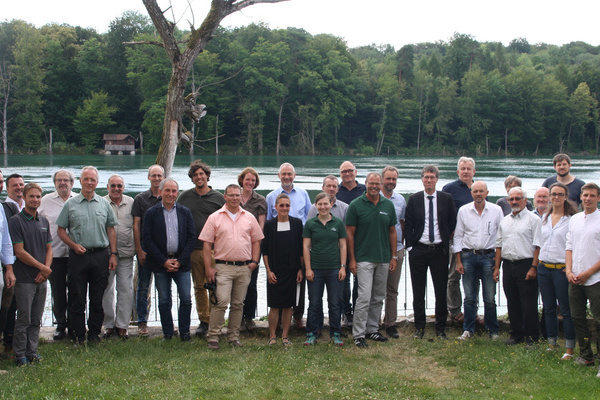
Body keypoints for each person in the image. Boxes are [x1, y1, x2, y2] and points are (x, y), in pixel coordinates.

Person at [56, 166, 118, 344]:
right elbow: (61, 230)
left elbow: (111, 229)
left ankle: (94, 334)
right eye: (86, 179)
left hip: (100, 255)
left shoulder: (104, 204)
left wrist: (113, 254)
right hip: (78, 257)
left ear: (97, 182)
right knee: (77, 298)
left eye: (93, 179)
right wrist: (73, 245)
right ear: (80, 181)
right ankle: (77, 335)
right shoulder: (71, 204)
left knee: (97, 298)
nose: (89, 182)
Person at [200, 184, 264, 350]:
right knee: (220, 302)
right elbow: (207, 245)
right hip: (224, 267)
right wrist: (209, 268)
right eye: (232, 195)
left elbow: (257, 240)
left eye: (238, 195)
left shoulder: (249, 217)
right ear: (225, 196)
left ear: (241, 197)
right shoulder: (215, 217)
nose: (235, 198)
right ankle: (213, 336)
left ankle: (233, 336)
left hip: (244, 267)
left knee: (238, 304)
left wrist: (255, 261)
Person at [346, 172, 398, 348]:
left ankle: (372, 329)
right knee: (364, 297)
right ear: (366, 184)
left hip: (383, 258)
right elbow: (350, 234)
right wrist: (352, 259)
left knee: (377, 297)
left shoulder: (388, 205)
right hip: (363, 259)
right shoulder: (355, 205)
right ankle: (358, 334)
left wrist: (393, 256)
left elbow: (392, 232)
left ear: (381, 184)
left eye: (377, 183)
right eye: (371, 183)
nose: (374, 186)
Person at [405, 165, 456, 340]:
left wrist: (444, 241)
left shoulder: (446, 198)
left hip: (439, 251)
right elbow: (409, 224)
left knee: (440, 290)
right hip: (418, 250)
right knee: (418, 291)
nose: (429, 180)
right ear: (422, 179)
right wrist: (410, 247)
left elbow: (452, 222)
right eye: (426, 177)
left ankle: (440, 328)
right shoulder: (414, 199)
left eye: (432, 177)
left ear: (436, 179)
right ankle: (419, 327)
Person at [142, 179, 196, 341]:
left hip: (182, 263)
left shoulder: (185, 212)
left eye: (174, 191)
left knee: (186, 298)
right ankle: (167, 333)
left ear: (177, 193)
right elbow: (147, 239)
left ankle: (185, 332)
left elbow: (191, 238)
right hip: (160, 264)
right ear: (160, 192)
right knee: (164, 300)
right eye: (167, 190)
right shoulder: (151, 213)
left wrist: (180, 260)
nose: (170, 194)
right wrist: (164, 261)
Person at [177, 160, 225, 338]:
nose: (199, 177)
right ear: (192, 178)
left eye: (201, 174)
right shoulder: (184, 197)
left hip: (215, 250)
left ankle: (215, 320)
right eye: (195, 175)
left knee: (215, 285)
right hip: (194, 249)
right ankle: (204, 320)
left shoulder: (218, 198)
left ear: (207, 176)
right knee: (199, 287)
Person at [453, 181, 503, 340]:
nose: (478, 194)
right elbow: (458, 236)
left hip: (489, 256)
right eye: (475, 191)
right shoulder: (463, 211)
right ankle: (468, 329)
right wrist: (458, 261)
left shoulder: (496, 210)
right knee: (469, 296)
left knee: (489, 297)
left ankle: (493, 330)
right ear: (471, 193)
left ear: (487, 193)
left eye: (481, 191)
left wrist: (497, 264)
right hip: (468, 256)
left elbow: (501, 236)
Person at [9, 183, 52, 366]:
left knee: (36, 318)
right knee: (24, 318)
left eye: (38, 197)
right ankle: (20, 355)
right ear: (24, 198)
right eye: (32, 196)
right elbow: (19, 251)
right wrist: (42, 267)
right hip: (25, 278)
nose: (35, 200)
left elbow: (49, 248)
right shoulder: (16, 221)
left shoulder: (43, 221)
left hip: (42, 278)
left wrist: (46, 269)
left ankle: (32, 351)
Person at [494, 186, 542, 346]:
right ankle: (516, 334)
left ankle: (532, 337)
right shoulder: (505, 220)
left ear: (525, 201)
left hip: (526, 264)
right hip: (508, 265)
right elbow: (499, 245)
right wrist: (497, 268)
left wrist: (534, 267)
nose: (514, 202)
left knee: (528, 304)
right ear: (508, 201)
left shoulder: (533, 219)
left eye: (518, 199)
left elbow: (537, 246)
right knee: (512, 301)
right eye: (511, 199)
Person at [265, 163, 310, 328]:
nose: (287, 177)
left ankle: (298, 316)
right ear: (278, 175)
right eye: (284, 174)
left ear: (294, 175)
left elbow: (309, 218)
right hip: (278, 247)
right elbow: (269, 223)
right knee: (276, 282)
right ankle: (276, 320)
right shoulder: (271, 197)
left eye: (289, 174)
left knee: (299, 282)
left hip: (299, 244)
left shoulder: (303, 194)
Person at [538, 182, 577, 359]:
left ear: (566, 197)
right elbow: (539, 243)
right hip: (544, 268)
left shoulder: (571, 220)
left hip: (561, 270)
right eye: (553, 194)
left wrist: (570, 268)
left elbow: (575, 246)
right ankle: (552, 343)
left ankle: (569, 347)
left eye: (560, 194)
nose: (556, 198)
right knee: (549, 308)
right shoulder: (544, 217)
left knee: (566, 310)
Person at [303, 192, 347, 346]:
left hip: (334, 269)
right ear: (316, 206)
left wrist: (343, 267)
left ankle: (335, 333)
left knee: (335, 302)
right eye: (319, 204)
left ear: (330, 204)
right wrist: (308, 269)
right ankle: (311, 333)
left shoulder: (338, 223)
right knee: (314, 302)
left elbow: (342, 245)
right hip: (315, 269)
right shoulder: (310, 224)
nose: (323, 207)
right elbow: (306, 246)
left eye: (325, 204)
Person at [565, 182, 600, 375]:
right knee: (577, 317)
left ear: (598, 198)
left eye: (592, 196)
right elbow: (569, 246)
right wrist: (569, 270)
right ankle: (586, 356)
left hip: (595, 279)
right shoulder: (575, 219)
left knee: (599, 320)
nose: (587, 199)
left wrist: (588, 273)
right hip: (575, 278)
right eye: (585, 195)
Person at [39, 170, 76, 341]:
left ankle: (76, 325)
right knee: (58, 293)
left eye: (66, 180)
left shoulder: (78, 199)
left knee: (77, 291)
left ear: (72, 183)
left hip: (76, 255)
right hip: (54, 255)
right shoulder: (45, 201)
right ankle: (61, 325)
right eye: (59, 180)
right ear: (54, 183)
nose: (62, 183)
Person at [262, 194, 303, 346]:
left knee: (288, 305)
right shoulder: (269, 225)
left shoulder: (297, 224)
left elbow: (300, 249)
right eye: (281, 205)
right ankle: (272, 336)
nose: (285, 208)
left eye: (287, 205)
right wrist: (268, 271)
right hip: (274, 271)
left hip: (291, 270)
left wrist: (300, 269)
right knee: (274, 305)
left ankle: (285, 336)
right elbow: (264, 250)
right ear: (275, 207)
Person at [442, 157, 476, 325]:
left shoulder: (478, 189)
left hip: (474, 242)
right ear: (457, 171)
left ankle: (472, 310)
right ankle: (454, 309)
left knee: (471, 276)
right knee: (453, 275)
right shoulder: (449, 189)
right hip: (454, 241)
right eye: (462, 168)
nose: (465, 171)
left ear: (473, 172)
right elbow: (442, 213)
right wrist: (449, 231)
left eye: (468, 168)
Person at [131, 164, 164, 337]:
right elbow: (136, 225)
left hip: (163, 250)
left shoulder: (169, 197)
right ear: (148, 177)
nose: (157, 179)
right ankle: (142, 322)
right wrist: (138, 249)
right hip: (144, 248)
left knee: (163, 287)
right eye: (154, 176)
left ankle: (167, 321)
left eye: (160, 176)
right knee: (143, 286)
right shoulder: (140, 199)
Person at [102, 175, 135, 339]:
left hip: (127, 253)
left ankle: (122, 325)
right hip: (106, 254)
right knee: (106, 289)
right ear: (107, 187)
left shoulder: (131, 203)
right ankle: (108, 325)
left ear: (124, 187)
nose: (116, 188)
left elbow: (137, 226)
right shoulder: (101, 202)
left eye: (119, 186)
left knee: (125, 289)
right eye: (113, 185)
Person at [336, 161, 365, 328]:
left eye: (349, 171)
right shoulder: (336, 191)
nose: (347, 174)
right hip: (341, 244)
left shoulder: (364, 190)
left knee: (361, 279)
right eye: (343, 171)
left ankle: (358, 312)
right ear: (340, 174)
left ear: (355, 172)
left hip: (361, 241)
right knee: (344, 280)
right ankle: (346, 312)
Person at [238, 167, 267, 332]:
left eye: (253, 181)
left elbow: (261, 226)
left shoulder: (260, 200)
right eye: (248, 179)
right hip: (235, 247)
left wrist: (255, 245)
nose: (250, 183)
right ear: (242, 180)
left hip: (253, 247)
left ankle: (249, 317)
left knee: (251, 284)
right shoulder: (233, 197)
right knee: (237, 283)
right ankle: (237, 317)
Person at [379, 166, 406, 339]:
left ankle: (390, 324)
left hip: (396, 250)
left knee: (392, 290)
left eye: (394, 179)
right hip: (378, 250)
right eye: (388, 179)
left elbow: (401, 224)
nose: (391, 182)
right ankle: (373, 323)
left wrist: (400, 247)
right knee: (376, 290)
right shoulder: (375, 198)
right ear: (382, 180)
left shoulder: (401, 200)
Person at [0, 173, 23, 349]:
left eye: (0, 181)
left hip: (5, 267)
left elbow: (6, 240)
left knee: (5, 308)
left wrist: (9, 268)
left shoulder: (2, 208)